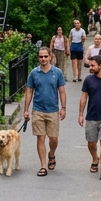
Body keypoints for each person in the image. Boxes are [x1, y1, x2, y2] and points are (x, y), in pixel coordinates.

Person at [23, 46, 67, 175]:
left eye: (45, 56)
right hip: (38, 110)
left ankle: (51, 154)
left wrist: (63, 108)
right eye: (41, 57)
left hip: (53, 110)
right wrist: (26, 110)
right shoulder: (34, 73)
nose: (43, 59)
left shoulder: (57, 73)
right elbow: (29, 91)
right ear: (38, 58)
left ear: (50, 57)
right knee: (40, 138)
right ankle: (43, 166)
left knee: (53, 139)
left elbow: (62, 91)